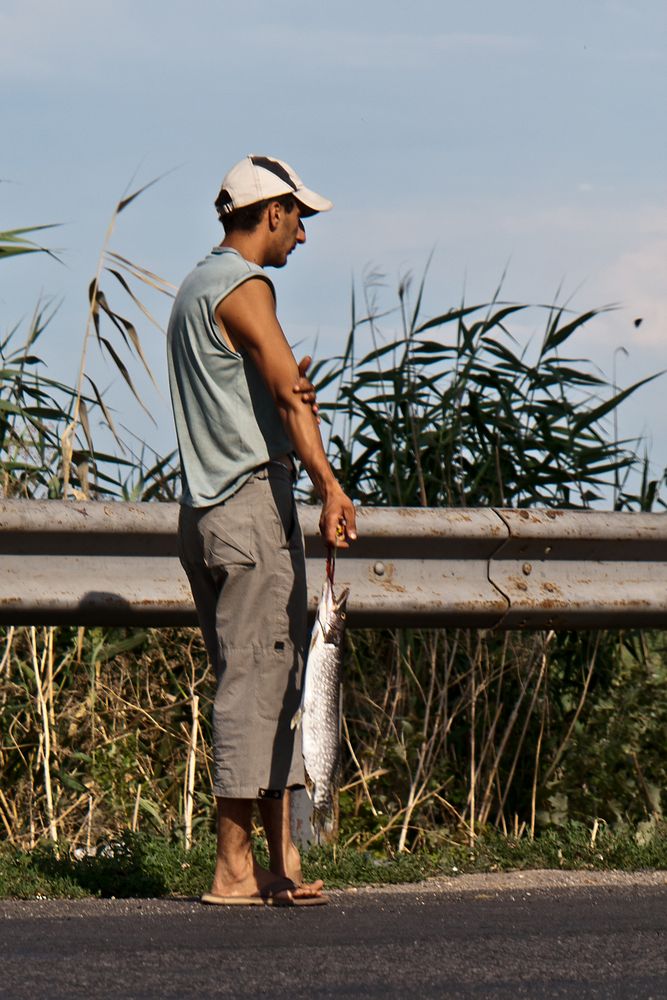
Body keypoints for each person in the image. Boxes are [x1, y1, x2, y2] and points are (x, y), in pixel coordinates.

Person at [167, 154, 357, 906]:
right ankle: (233, 870)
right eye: (298, 217)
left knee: (264, 679)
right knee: (255, 685)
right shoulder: (246, 287)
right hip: (248, 510)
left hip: (207, 512)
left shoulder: (194, 289)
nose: (303, 235)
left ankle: (279, 861)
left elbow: (257, 389)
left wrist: (278, 389)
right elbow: (289, 396)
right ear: (270, 211)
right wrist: (329, 483)